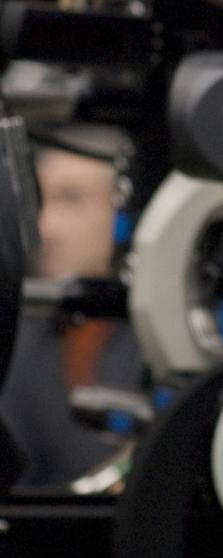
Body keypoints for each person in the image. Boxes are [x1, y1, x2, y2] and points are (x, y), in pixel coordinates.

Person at [0, 140, 142, 488]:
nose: (46, 228)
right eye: (40, 203)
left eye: (71, 199)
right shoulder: (17, 339)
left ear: (125, 211)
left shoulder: (175, 338)